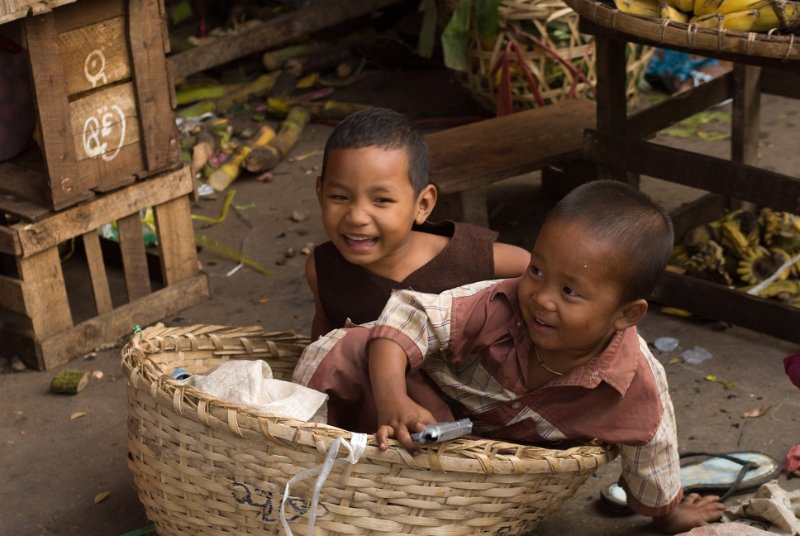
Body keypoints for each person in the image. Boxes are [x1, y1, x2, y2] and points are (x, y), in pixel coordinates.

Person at [294, 180, 727, 534]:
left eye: (570, 291)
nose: (541, 297)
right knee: (351, 346)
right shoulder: (498, 302)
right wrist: (392, 397)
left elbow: (653, 446)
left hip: (492, 473)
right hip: (417, 413)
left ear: (626, 314)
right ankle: (292, 446)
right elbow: (410, 315)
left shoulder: (632, 383)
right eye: (537, 270)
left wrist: (666, 513)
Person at [306, 106, 531, 341]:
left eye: (381, 200)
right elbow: (324, 328)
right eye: (340, 197)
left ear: (422, 204)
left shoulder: (462, 255)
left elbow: (528, 266)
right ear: (320, 193)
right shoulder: (322, 269)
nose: (356, 217)